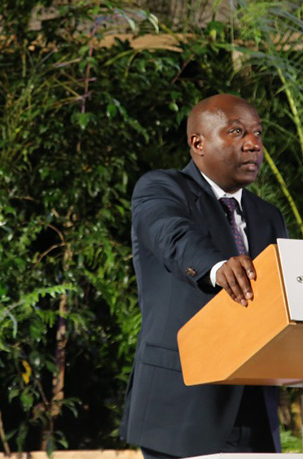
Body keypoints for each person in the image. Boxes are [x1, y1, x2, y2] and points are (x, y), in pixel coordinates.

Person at [119, 94, 289, 459]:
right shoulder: (161, 189)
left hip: (255, 407)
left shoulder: (268, 215)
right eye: (238, 132)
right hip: (182, 405)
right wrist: (217, 267)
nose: (254, 144)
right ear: (198, 142)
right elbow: (174, 236)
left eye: (258, 134)